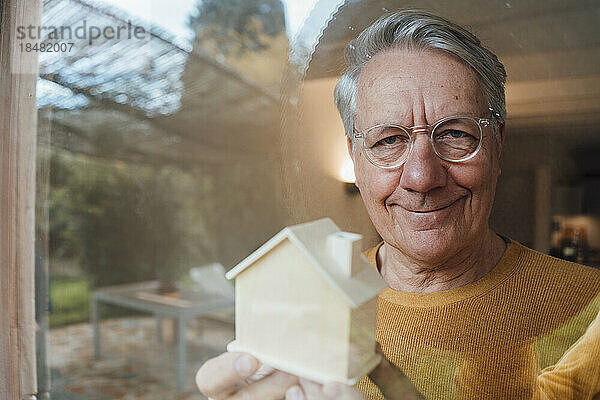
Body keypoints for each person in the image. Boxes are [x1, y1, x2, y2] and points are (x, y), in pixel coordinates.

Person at [196, 10, 600, 400]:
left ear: (497, 144)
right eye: (388, 140)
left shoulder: (592, 312)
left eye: (455, 133)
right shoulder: (303, 307)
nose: (422, 178)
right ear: (355, 157)